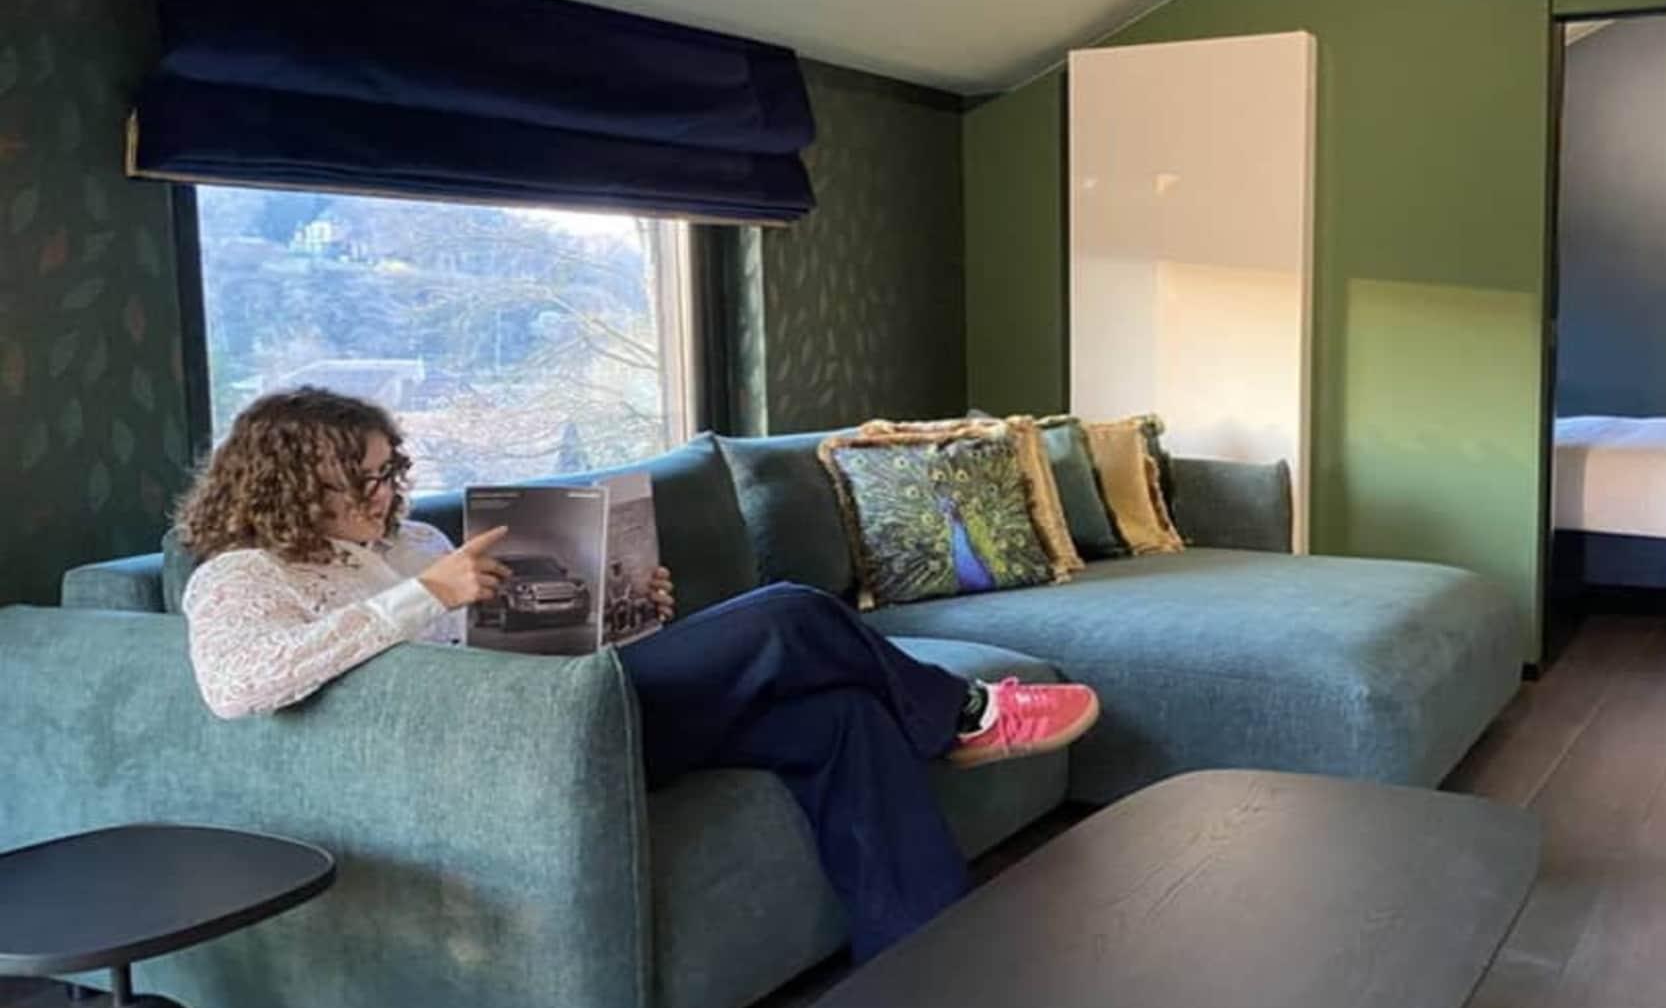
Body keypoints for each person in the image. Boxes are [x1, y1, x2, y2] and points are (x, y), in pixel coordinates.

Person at [176, 388, 1100, 960]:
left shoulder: (412, 538)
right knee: (790, 611)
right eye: (364, 479)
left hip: (576, 703)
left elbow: (516, 638)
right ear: (289, 484)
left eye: (391, 471)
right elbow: (239, 683)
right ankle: (961, 714)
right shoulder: (243, 576)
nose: (388, 494)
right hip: (508, 754)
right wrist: (422, 596)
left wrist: (626, 608)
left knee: (841, 714)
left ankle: (921, 958)